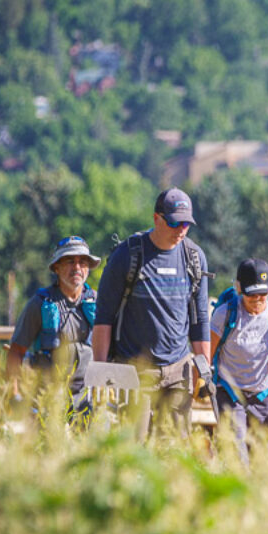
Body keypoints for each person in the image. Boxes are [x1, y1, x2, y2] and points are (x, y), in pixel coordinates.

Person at [93, 187, 211, 440]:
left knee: (175, 449)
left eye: (186, 224)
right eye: (174, 222)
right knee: (133, 447)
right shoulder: (127, 255)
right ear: (156, 218)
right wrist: (102, 375)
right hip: (134, 370)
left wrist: (204, 370)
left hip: (179, 369)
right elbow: (103, 318)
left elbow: (200, 321)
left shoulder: (194, 258)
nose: (181, 229)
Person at [209, 258, 268, 464]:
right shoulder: (225, 314)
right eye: (252, 295)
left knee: (259, 460)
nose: (258, 299)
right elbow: (207, 354)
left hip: (265, 395)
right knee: (235, 458)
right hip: (230, 393)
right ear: (238, 288)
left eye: (263, 294)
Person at [7, 236, 101, 414]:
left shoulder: (98, 302)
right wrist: (14, 394)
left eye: (82, 262)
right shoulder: (40, 304)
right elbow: (16, 351)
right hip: (46, 401)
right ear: (56, 268)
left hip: (86, 401)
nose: (77, 268)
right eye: (70, 262)